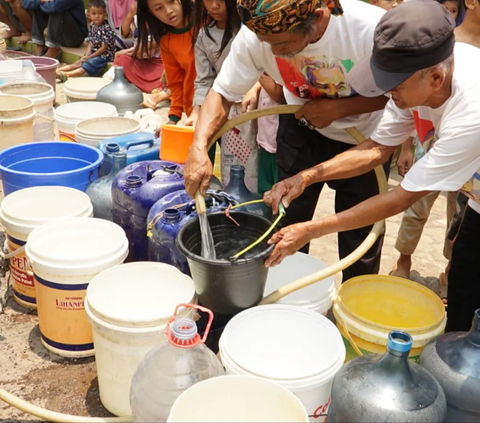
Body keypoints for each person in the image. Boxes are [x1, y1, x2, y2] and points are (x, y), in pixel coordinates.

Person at [262, 0, 480, 332]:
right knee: (465, 286)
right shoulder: (418, 79)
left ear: (436, 77)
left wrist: (311, 229)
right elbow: (375, 150)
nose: (388, 93)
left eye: (395, 85)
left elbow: (402, 197)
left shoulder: (471, 111)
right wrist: (306, 177)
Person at [184, 0, 390, 281]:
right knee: (287, 221)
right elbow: (222, 93)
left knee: (360, 234)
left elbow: (400, 95)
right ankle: (286, 293)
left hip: (364, 141)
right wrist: (198, 147)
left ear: (317, 18)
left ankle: (355, 302)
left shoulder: (371, 30)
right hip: (301, 127)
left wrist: (339, 108)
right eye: (266, 43)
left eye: (282, 44)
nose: (273, 52)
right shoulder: (258, 33)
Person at [136, 0, 195, 123]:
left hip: (229, 105)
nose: (168, 11)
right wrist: (173, 117)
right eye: (158, 8)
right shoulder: (167, 42)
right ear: (151, 13)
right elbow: (175, 82)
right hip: (195, 113)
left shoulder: (208, 22)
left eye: (171, 1)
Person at [56, 0, 115, 80]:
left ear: (105, 15)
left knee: (89, 64)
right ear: (89, 15)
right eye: (94, 13)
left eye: (100, 13)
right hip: (94, 53)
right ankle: (57, 70)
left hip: (105, 56)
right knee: (80, 61)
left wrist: (90, 56)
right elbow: (90, 43)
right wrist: (87, 55)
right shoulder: (92, 25)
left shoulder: (106, 28)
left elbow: (103, 48)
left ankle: (67, 75)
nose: (97, 16)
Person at [23, 0, 88, 59]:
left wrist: (43, 4)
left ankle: (53, 50)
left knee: (56, 9)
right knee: (38, 6)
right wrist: (41, 1)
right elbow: (26, 4)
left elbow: (54, 7)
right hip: (60, 36)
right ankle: (40, 47)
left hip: (74, 39)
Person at [256, 73, 284, 195]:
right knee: (265, 191)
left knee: (280, 190)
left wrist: (258, 69)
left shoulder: (273, 63)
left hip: (277, 144)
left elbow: (278, 94)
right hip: (265, 138)